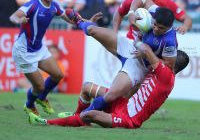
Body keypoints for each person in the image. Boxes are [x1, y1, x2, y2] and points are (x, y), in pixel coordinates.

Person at [62, 0, 177, 114]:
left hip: (139, 67)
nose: (156, 29)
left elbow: (168, 66)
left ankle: (81, 116)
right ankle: (80, 22)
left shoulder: (170, 42)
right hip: (130, 45)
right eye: (154, 24)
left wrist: (147, 54)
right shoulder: (156, 11)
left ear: (169, 26)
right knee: (92, 30)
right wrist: (131, 12)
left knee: (111, 96)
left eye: (160, 28)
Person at [10, 0, 101, 117]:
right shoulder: (33, 4)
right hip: (23, 51)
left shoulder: (54, 6)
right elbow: (13, 16)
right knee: (39, 86)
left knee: (58, 75)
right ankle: (29, 105)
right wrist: (19, 19)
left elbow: (70, 18)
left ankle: (41, 97)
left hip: (38, 48)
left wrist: (88, 21)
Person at [28, 49, 189, 128]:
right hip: (123, 104)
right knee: (87, 88)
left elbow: (147, 50)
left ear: (172, 63)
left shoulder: (167, 76)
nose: (163, 57)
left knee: (89, 114)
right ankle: (77, 117)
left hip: (129, 120)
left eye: (168, 56)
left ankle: (47, 122)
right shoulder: (161, 73)